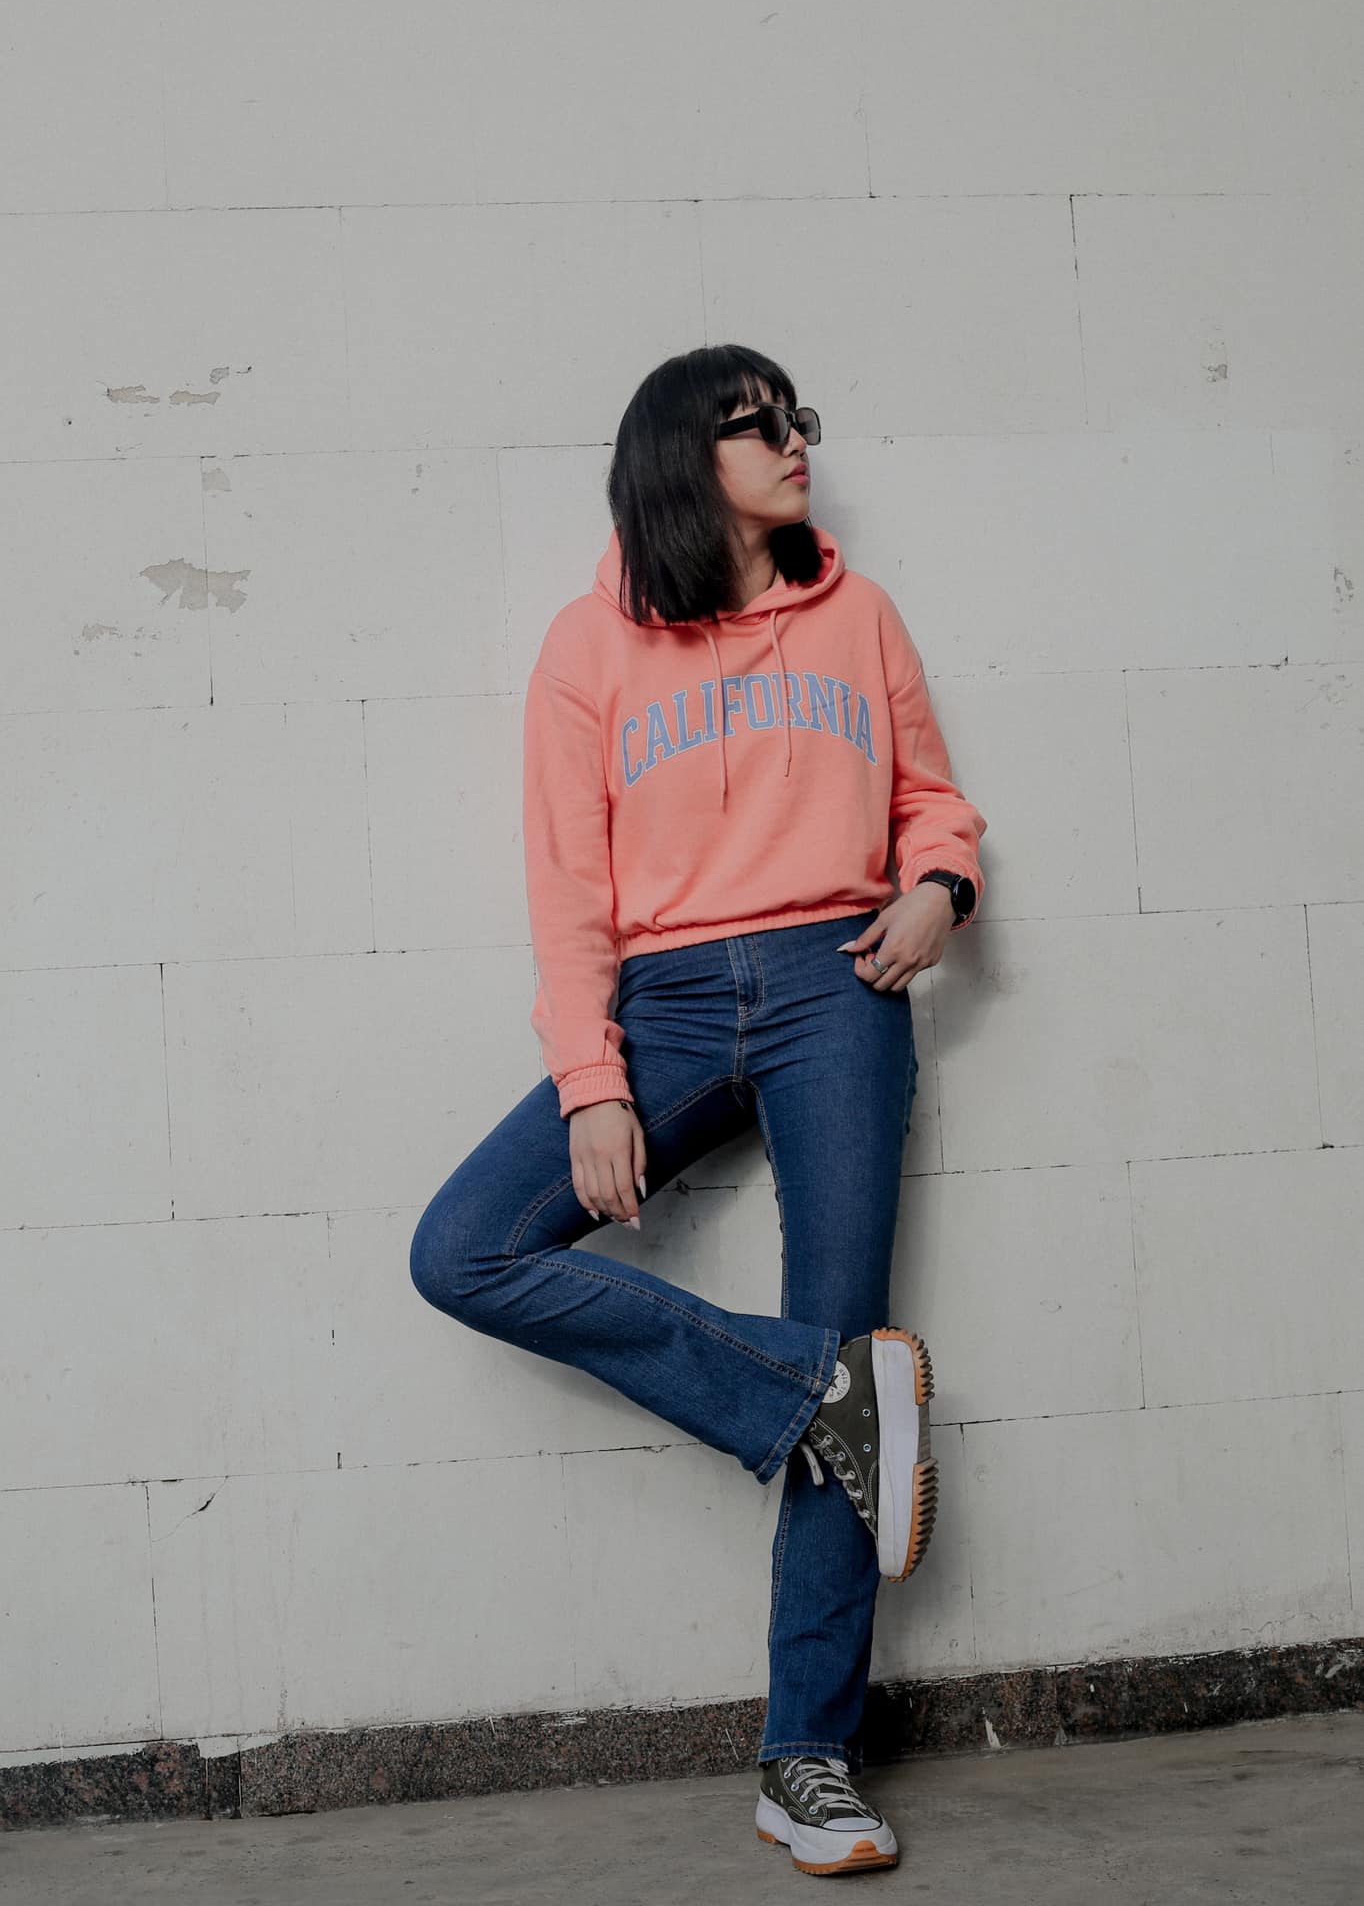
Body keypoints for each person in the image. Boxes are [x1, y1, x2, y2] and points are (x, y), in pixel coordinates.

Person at [408, 343, 987, 1878]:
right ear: (682, 457)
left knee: (848, 1324)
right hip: (660, 1001)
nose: (796, 443)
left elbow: (932, 799)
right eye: (757, 424)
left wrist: (939, 886)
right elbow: (566, 896)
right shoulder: (589, 644)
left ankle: (810, 1762)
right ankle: (814, 1393)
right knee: (465, 1250)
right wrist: (594, 1085)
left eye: (798, 418)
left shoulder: (857, 616)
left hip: (835, 988)